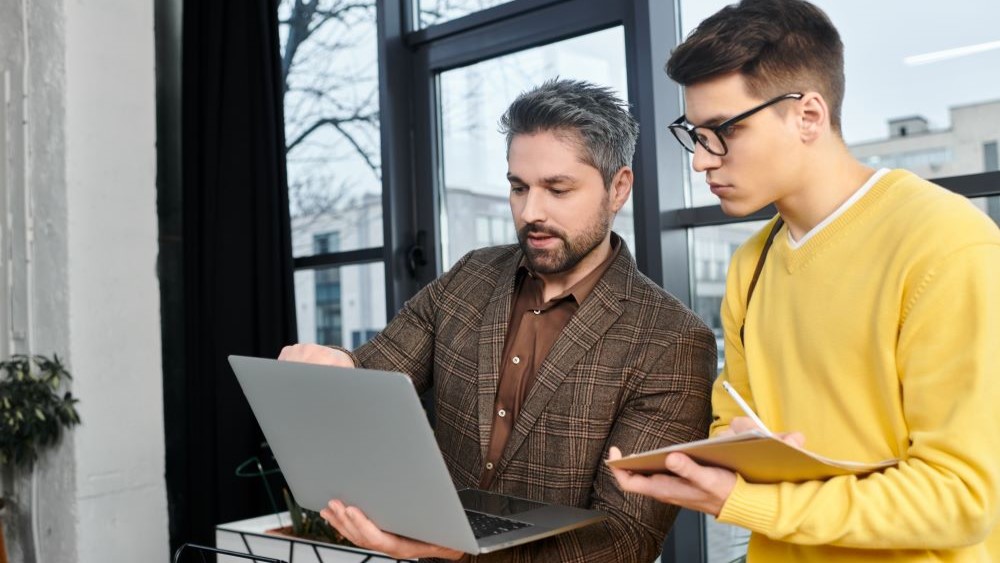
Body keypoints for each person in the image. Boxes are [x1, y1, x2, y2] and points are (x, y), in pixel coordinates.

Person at [608, 0, 1000, 561]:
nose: (700, 161)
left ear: (808, 116)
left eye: (724, 130)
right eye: (694, 134)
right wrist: (729, 450)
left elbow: (961, 498)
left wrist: (752, 502)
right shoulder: (752, 260)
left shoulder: (947, 244)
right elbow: (732, 417)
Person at [280, 79, 717, 562]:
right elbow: (376, 370)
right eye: (518, 187)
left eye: (557, 189)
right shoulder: (470, 276)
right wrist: (334, 368)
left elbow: (624, 540)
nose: (531, 211)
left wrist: (459, 552)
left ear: (618, 188)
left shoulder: (672, 340)